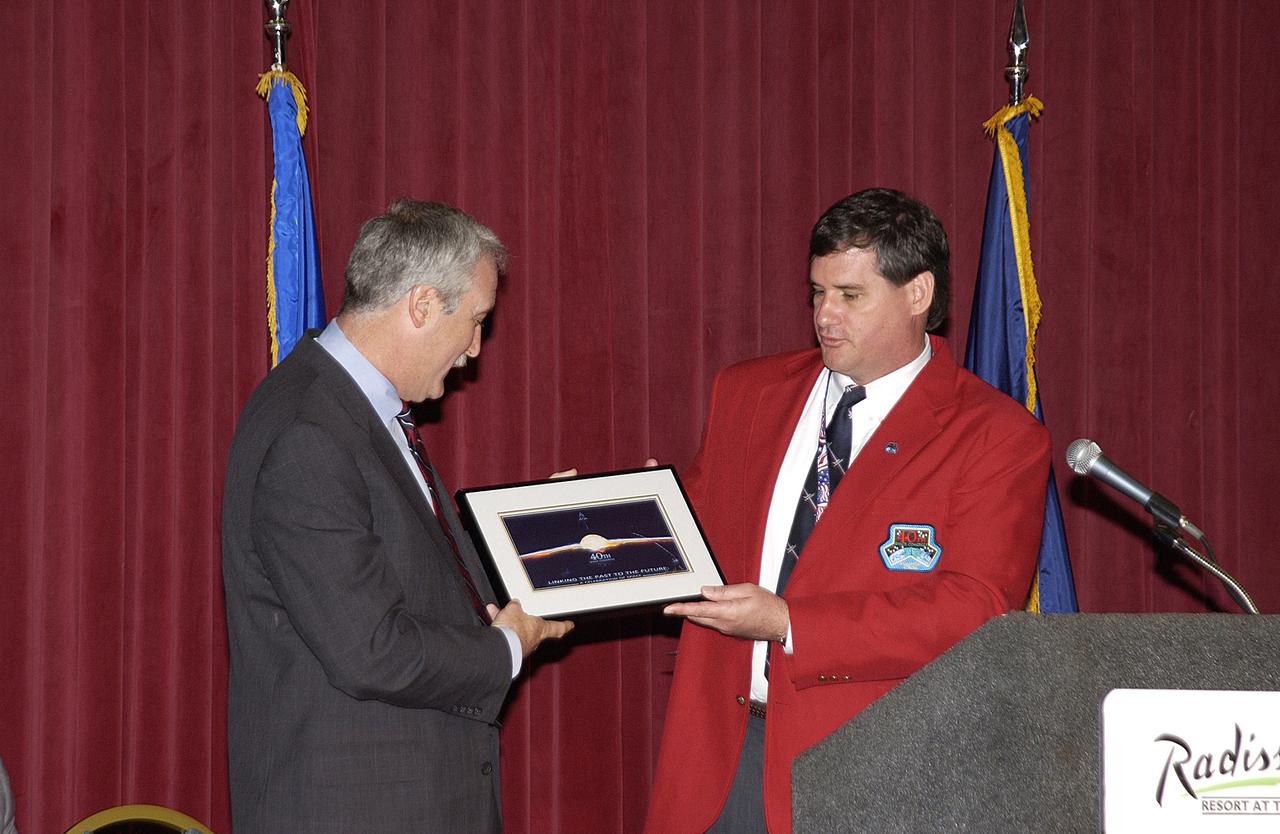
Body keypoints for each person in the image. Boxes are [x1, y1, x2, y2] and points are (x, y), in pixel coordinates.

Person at [645, 188, 1051, 834]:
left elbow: (973, 611)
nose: (824, 316)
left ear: (918, 295)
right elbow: (697, 533)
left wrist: (788, 622)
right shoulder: (747, 393)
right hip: (722, 763)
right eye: (816, 293)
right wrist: (617, 517)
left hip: (870, 775)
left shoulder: (995, 437)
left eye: (849, 296)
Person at [221, 200, 572, 833]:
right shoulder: (310, 431)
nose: (473, 349)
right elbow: (372, 650)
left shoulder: (354, 407)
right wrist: (507, 648)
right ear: (420, 306)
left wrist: (531, 528)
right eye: (475, 321)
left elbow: (418, 567)